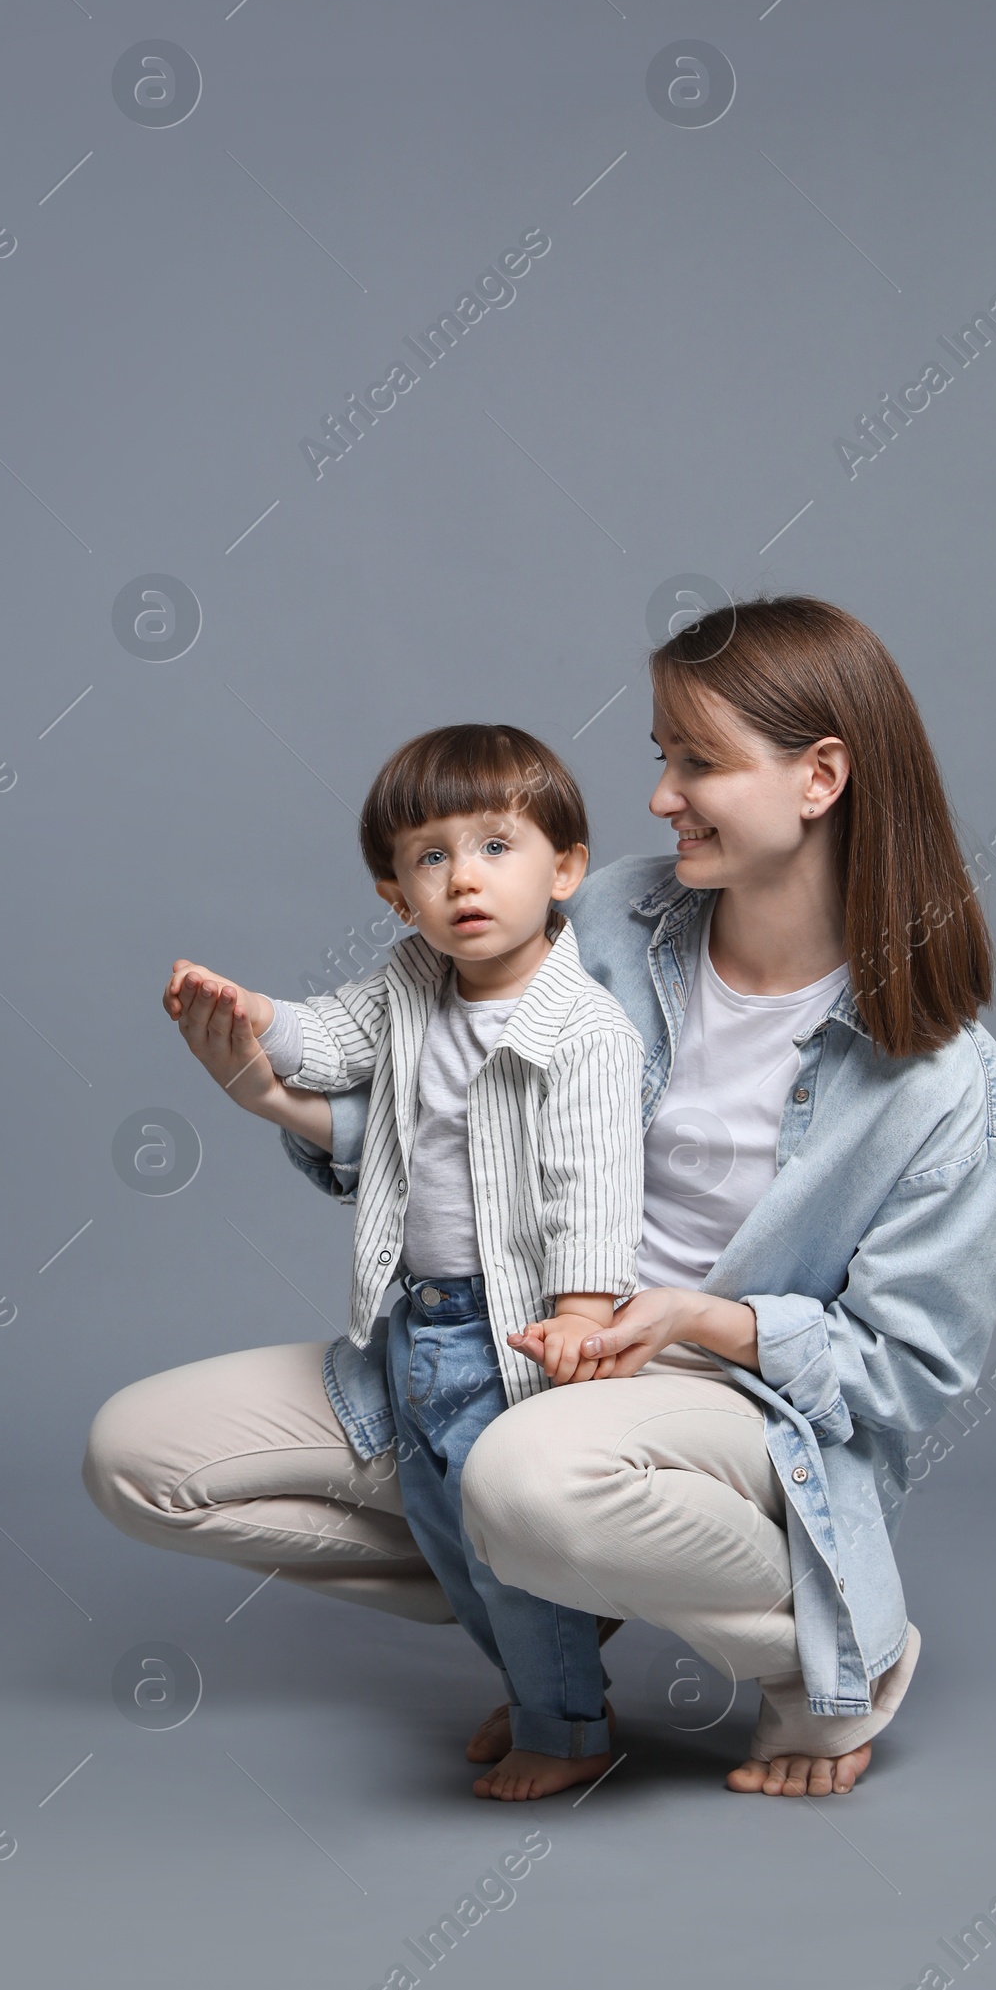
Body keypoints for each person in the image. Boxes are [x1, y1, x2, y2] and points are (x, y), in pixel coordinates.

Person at [83, 597, 996, 1797]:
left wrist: (689, 1318)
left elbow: (901, 1375)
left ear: (820, 778)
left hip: (719, 1399)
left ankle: (830, 1654)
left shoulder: (957, 1096)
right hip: (498, 1341)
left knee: (528, 1476)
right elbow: (426, 1105)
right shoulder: (599, 923)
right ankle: (546, 1604)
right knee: (139, 1458)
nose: (658, 795)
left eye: (698, 762)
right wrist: (277, 1100)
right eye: (661, 757)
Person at [152, 724, 647, 1800]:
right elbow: (327, 1039)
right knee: (448, 1538)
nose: (463, 878)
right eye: (431, 859)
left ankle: (566, 1733)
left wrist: (580, 1312)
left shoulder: (586, 1032)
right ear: (396, 895)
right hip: (414, 1327)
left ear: (564, 868)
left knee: (505, 1550)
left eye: (496, 847)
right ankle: (544, 1693)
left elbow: (593, 1187)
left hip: (507, 1330)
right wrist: (252, 1016)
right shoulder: (412, 982)